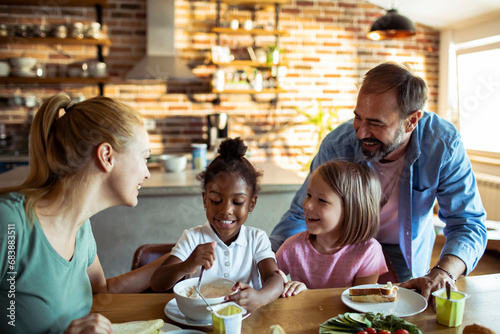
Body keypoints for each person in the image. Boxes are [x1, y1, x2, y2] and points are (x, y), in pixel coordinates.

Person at [270, 62, 487, 301]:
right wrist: (265, 261)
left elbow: (467, 223)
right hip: (344, 245)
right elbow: (300, 213)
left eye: (375, 123)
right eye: (358, 117)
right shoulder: (338, 145)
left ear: (411, 121)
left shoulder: (443, 145)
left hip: (403, 251)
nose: (361, 132)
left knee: (401, 312)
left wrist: (444, 272)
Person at [0, 93, 169, 334]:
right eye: (144, 157)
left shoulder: (80, 228)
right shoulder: (9, 223)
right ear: (107, 156)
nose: (147, 172)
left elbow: (101, 292)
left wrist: (175, 259)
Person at [151, 137, 283, 313]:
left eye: (237, 202)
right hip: (199, 322)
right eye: (216, 200)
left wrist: (260, 298)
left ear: (251, 204)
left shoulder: (256, 239)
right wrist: (187, 265)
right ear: (205, 199)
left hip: (243, 322)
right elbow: (157, 282)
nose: (226, 210)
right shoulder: (192, 238)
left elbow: (275, 279)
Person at [276, 160, 388, 297]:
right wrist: (285, 287)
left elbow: (362, 303)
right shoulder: (292, 246)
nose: (307, 205)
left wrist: (307, 295)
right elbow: (267, 282)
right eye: (309, 195)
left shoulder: (368, 251)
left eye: (322, 200)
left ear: (352, 209)